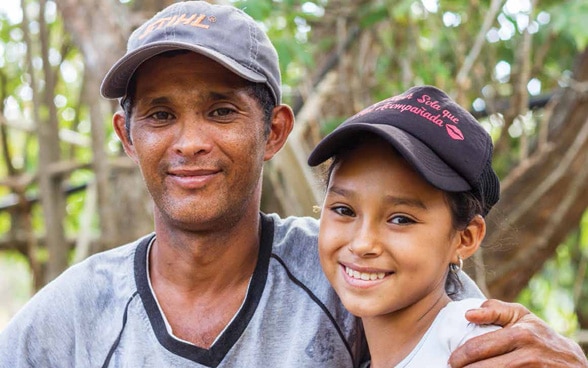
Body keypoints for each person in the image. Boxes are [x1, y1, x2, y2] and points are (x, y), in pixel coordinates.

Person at [0, 1, 585, 367]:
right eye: (159, 115)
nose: (189, 142)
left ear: (274, 131)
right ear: (126, 135)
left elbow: (471, 331)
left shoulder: (346, 278)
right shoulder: (69, 320)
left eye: (222, 111)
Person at [308, 85, 501, 367]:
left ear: (465, 238)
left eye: (400, 219)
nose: (362, 244)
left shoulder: (475, 344)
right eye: (344, 210)